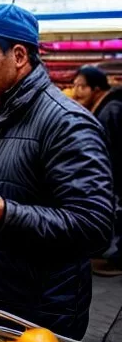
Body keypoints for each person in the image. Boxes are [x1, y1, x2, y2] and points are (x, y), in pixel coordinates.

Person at [0, 4, 114, 339]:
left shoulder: (66, 124)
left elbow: (95, 226)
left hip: (33, 318)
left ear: (18, 56)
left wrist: (6, 215)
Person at [72, 65, 122, 276]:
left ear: (97, 88)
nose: (77, 92)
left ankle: (117, 260)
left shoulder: (111, 108)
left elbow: (114, 149)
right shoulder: (102, 107)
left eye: (82, 86)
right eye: (75, 86)